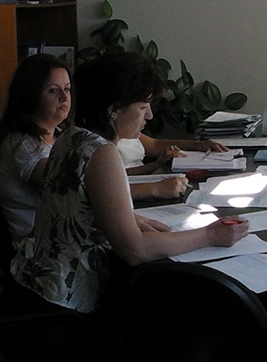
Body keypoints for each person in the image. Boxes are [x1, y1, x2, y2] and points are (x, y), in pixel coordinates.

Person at [9, 51, 249, 316]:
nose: (150, 116)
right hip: (66, 305)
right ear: (114, 109)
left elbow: (81, 206)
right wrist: (210, 235)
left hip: (33, 283)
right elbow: (134, 250)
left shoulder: (71, 137)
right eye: (143, 107)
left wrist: (129, 218)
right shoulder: (101, 153)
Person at [0, 54, 72, 247]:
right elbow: (74, 187)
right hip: (36, 248)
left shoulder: (62, 134)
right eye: (53, 90)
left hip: (62, 235)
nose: (64, 97)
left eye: (67, 89)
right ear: (30, 95)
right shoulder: (22, 145)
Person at [118, 134, 228, 200]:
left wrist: (195, 145)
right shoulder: (107, 142)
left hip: (145, 181)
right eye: (142, 108)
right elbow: (117, 176)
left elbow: (154, 144)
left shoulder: (129, 129)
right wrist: (156, 165)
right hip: (132, 191)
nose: (149, 115)